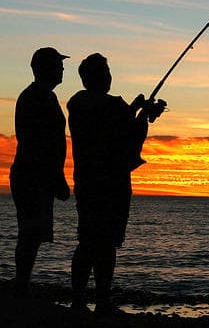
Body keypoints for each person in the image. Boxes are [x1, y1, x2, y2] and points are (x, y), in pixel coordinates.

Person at [67, 53, 166, 314]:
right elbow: (128, 133)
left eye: (108, 72)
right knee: (102, 243)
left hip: (92, 182)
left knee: (92, 241)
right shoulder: (106, 104)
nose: (108, 77)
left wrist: (136, 110)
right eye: (104, 72)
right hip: (109, 184)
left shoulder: (80, 103)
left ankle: (83, 301)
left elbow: (114, 125)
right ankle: (97, 302)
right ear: (94, 77)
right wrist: (143, 114)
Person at [10, 46, 71, 296]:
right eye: (58, 65)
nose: (62, 69)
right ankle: (21, 285)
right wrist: (57, 178)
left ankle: (22, 283)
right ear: (44, 69)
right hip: (33, 176)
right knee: (30, 233)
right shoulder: (36, 97)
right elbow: (40, 143)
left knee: (32, 234)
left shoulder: (44, 96)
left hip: (36, 175)